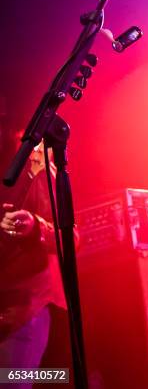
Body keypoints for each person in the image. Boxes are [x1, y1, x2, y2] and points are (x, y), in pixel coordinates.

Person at [0, 140, 68, 382]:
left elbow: (71, 237)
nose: (37, 151)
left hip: (26, 310)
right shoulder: (12, 178)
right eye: (33, 143)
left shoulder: (50, 181)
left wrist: (35, 226)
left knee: (11, 381)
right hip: (8, 305)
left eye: (44, 145)